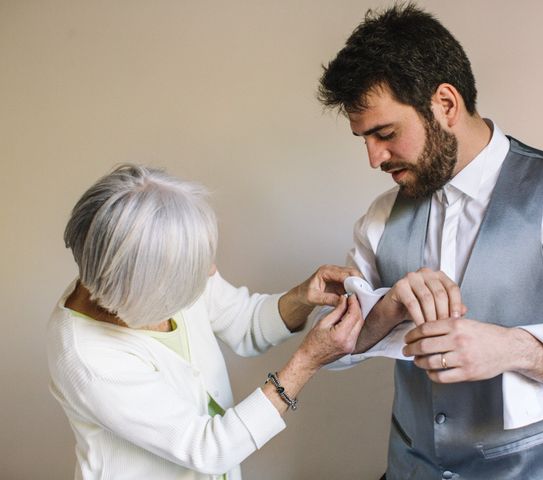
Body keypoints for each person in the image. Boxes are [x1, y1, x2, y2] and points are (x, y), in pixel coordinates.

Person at [316, 4, 543, 479]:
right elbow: (329, 349)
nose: (373, 158)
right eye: (363, 139)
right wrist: (386, 308)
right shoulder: (382, 216)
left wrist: (515, 348)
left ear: (445, 104)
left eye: (385, 134)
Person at [47, 164, 364, 480]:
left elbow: (246, 323)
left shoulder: (159, 265)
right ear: (146, 281)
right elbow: (208, 449)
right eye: (195, 266)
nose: (210, 271)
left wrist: (303, 296)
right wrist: (306, 363)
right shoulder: (88, 357)